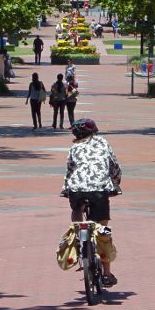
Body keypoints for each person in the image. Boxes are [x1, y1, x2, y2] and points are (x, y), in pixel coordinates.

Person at [60, 118, 122, 287]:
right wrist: (116, 183)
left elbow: (70, 170)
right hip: (99, 190)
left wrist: (66, 189)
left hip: (77, 189)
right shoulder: (102, 142)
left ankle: (79, 234)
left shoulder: (74, 147)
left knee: (77, 209)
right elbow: (114, 165)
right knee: (103, 232)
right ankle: (107, 274)